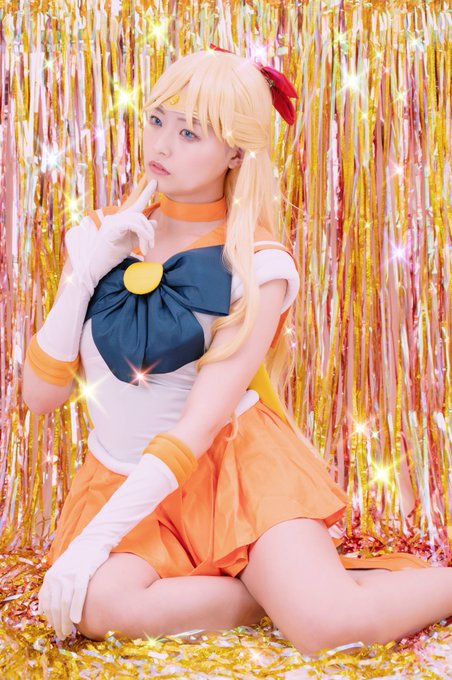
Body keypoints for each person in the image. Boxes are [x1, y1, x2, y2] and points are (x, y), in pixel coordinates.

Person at [23, 47, 450, 657]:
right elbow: (41, 397)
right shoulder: (100, 233)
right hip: (124, 478)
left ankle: (313, 594)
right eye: (157, 119)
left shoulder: (259, 265)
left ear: (235, 152)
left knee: (328, 627)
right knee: (95, 608)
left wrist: (93, 544)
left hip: (234, 470)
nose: (161, 145)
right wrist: (83, 275)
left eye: (189, 132)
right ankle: (270, 594)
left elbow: (199, 426)